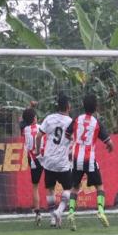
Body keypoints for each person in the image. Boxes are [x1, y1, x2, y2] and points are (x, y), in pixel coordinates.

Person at [54, 95, 114, 230]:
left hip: (76, 158)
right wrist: (110, 147)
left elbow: (67, 134)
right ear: (96, 108)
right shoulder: (96, 123)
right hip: (89, 159)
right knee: (99, 185)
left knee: (75, 187)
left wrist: (75, 140)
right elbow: (109, 142)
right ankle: (101, 211)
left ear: (83, 106)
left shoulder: (77, 119)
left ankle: (70, 213)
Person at [35, 94, 73, 227]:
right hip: (62, 162)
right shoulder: (70, 122)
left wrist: (38, 151)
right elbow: (74, 140)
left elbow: (38, 136)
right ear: (68, 107)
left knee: (50, 189)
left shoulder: (49, 118)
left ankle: (52, 217)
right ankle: (60, 211)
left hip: (49, 161)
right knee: (69, 188)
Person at [21, 106, 45, 225]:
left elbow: (23, 122)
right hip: (45, 159)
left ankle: (38, 213)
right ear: (35, 118)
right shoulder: (41, 127)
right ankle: (53, 213)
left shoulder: (25, 130)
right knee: (50, 186)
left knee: (35, 187)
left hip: (34, 161)